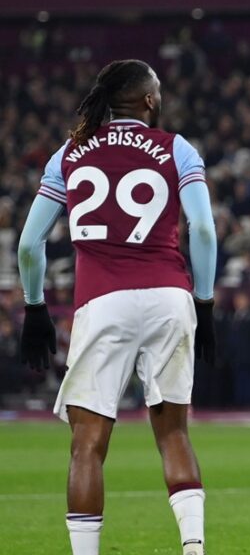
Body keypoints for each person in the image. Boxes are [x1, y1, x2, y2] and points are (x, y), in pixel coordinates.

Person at [16, 59, 217, 555]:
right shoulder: (177, 147)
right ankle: (193, 547)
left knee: (87, 445)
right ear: (149, 100)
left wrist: (35, 307)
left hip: (102, 301)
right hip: (169, 295)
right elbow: (205, 230)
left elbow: (27, 245)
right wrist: (206, 304)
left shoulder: (70, 152)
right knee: (173, 433)